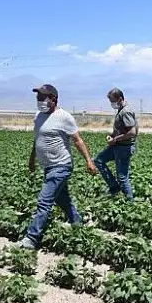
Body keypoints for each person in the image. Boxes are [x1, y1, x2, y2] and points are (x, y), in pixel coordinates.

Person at [18, 84, 97, 250]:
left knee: (44, 200)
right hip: (47, 166)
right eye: (38, 97)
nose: (39, 100)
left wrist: (88, 161)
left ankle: (31, 239)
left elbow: (77, 140)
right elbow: (37, 139)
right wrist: (32, 159)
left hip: (61, 166)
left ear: (53, 99)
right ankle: (77, 223)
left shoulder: (64, 117)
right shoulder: (38, 116)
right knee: (63, 199)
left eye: (42, 97)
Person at [94, 87, 138, 200]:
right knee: (99, 160)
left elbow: (132, 132)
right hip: (118, 145)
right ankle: (114, 186)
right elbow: (121, 129)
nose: (111, 104)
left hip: (124, 148)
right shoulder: (120, 110)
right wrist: (112, 136)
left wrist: (115, 139)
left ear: (119, 99)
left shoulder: (126, 111)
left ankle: (130, 203)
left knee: (122, 177)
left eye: (112, 101)